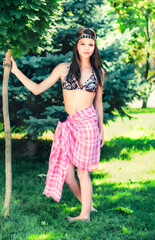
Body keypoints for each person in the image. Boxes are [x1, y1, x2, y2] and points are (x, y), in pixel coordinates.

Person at [3, 28, 105, 222]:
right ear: (76, 45)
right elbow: (37, 89)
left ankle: (84, 215)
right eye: (83, 43)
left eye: (91, 44)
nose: (87, 48)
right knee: (68, 176)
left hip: (88, 125)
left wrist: (102, 130)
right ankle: (88, 206)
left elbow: (98, 104)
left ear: (95, 47)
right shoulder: (63, 68)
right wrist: (15, 70)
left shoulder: (99, 72)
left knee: (83, 172)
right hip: (68, 124)